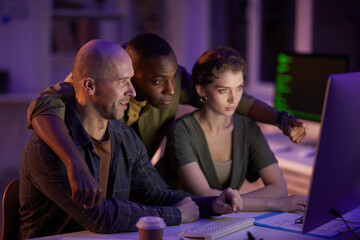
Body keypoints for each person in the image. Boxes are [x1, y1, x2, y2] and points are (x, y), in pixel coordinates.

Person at [26, 33, 305, 210]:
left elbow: (236, 100)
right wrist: (75, 164)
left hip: (145, 189)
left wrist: (280, 118)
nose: (172, 91)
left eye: (173, 78)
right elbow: (42, 105)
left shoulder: (172, 80)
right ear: (129, 75)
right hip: (102, 192)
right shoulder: (104, 75)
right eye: (159, 81)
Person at [19, 40, 243, 239]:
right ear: (89, 86)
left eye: (131, 80)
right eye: (121, 82)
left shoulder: (123, 135)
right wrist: (175, 215)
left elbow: (156, 193)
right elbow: (100, 217)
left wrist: (211, 204)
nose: (133, 92)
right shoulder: (48, 146)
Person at [163, 47, 306, 212]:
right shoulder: (181, 131)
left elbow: (279, 188)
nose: (233, 99)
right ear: (202, 90)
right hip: (179, 223)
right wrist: (274, 203)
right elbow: (204, 194)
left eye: (239, 88)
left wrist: (235, 203)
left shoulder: (247, 127)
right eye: (223, 90)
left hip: (222, 220)